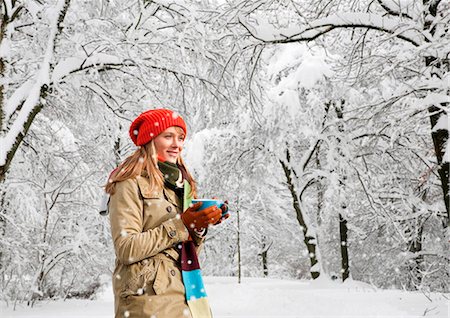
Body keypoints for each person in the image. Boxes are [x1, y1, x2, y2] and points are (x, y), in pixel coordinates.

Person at [105, 108, 228, 318]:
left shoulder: (183, 185)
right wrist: (181, 225)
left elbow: (184, 253)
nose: (177, 145)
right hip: (148, 300)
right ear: (150, 140)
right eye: (168, 136)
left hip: (185, 293)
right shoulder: (129, 182)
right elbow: (126, 249)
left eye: (180, 138)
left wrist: (198, 226)